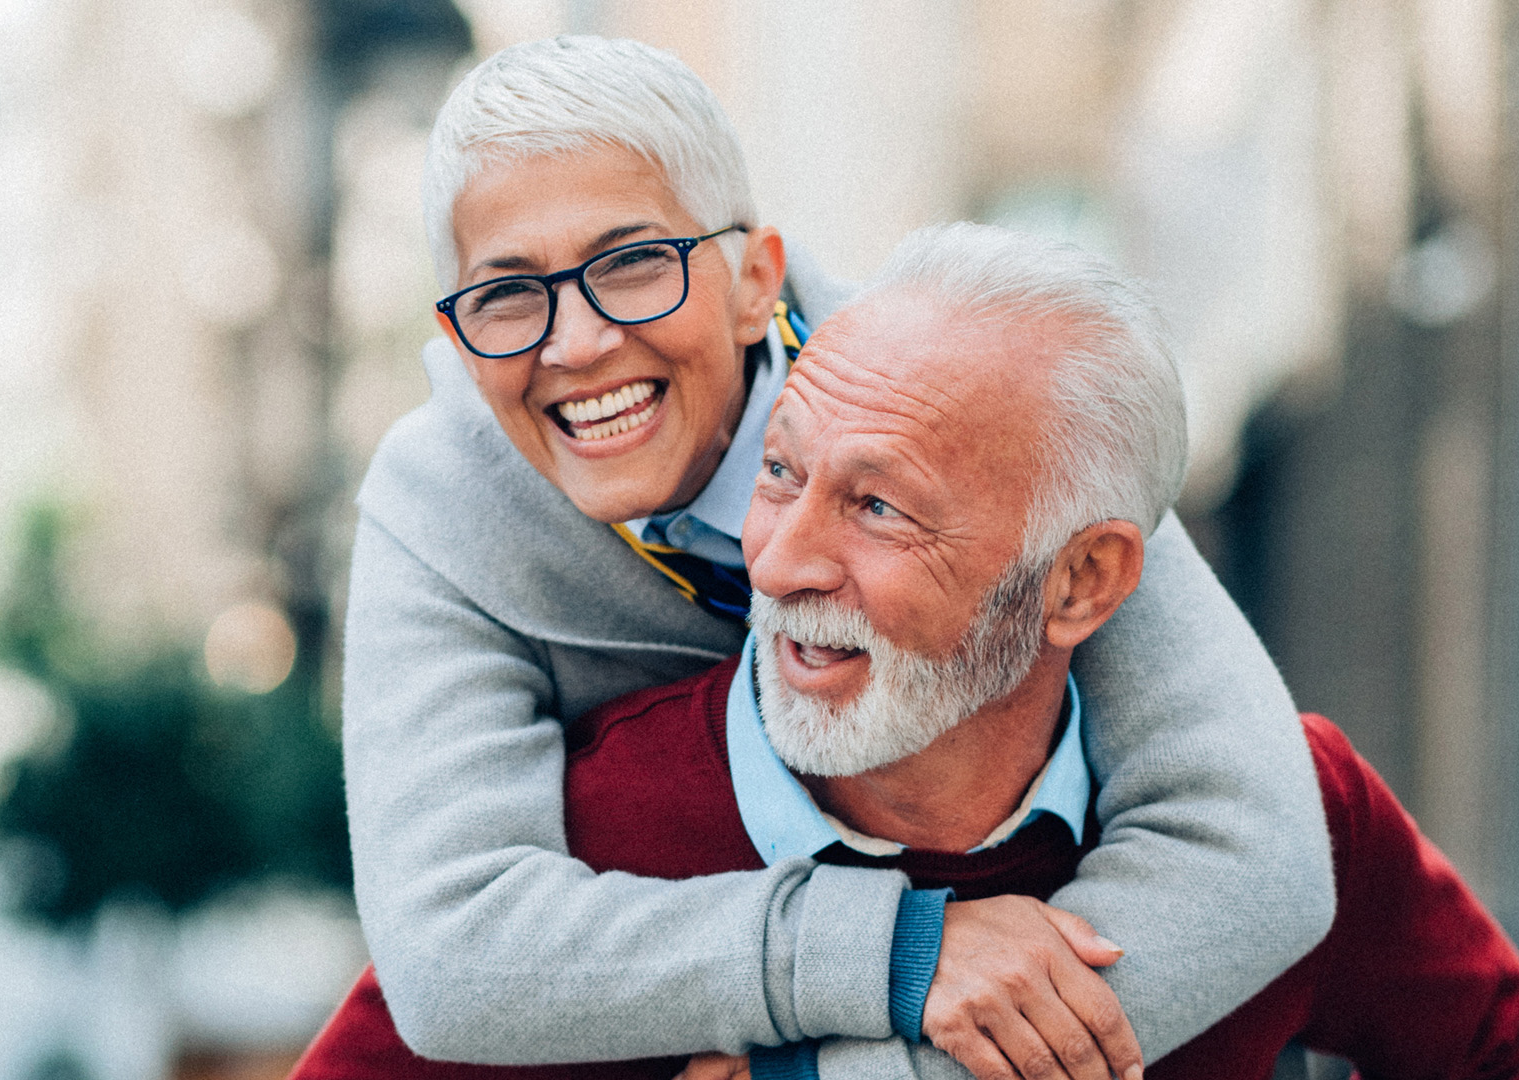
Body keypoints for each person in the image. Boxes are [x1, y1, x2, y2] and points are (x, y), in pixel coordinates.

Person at [300, 223, 1519, 1080]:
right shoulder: (591, 856)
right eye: (779, 474)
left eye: (879, 506)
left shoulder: (1295, 805)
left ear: (1084, 582)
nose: (778, 562)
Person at [333, 35, 1333, 1078]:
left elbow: (1251, 853)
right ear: (454, 334)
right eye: (506, 295)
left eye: (632, 265)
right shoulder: (437, 508)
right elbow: (455, 957)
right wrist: (888, 951)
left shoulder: (966, 399)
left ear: (753, 278)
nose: (575, 343)